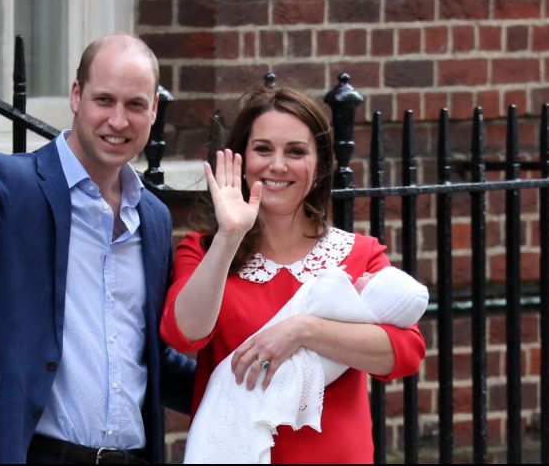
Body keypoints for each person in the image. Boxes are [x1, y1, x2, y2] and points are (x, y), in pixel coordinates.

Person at [0, 0, 194, 464]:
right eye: (103, 100)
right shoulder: (11, 183)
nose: (118, 120)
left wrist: (254, 380)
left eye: (135, 104)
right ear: (76, 97)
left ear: (154, 110)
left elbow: (150, 357)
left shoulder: (153, 218)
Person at [159, 84, 426, 463]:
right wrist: (230, 235)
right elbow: (183, 334)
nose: (278, 165)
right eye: (263, 149)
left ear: (319, 168)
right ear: (241, 160)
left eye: (296, 151)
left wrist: (304, 331)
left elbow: (406, 352)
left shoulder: (359, 253)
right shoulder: (204, 250)